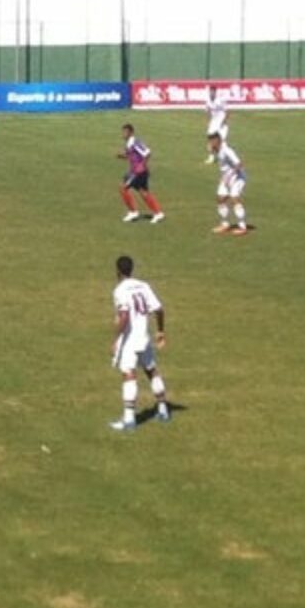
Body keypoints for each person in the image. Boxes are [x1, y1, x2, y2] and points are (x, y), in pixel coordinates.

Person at [109, 255, 170, 431]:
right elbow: (159, 309)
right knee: (151, 370)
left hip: (129, 340)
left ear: (118, 271)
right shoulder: (144, 285)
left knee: (129, 374)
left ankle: (129, 420)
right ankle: (163, 409)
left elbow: (124, 316)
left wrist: (116, 339)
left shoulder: (120, 290)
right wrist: (160, 331)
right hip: (144, 337)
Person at [116, 123, 165, 224]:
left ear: (131, 132)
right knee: (143, 192)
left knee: (123, 188)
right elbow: (131, 156)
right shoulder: (129, 143)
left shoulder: (135, 142)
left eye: (125, 132)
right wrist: (122, 156)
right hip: (136, 171)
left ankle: (133, 212)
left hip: (139, 172)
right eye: (123, 132)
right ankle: (158, 213)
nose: (123, 134)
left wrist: (142, 165)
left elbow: (147, 153)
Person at [208, 133, 249, 236]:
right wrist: (212, 151)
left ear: (218, 140)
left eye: (213, 141)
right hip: (226, 178)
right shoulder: (217, 149)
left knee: (234, 198)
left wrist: (231, 176)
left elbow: (239, 163)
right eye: (210, 141)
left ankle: (242, 227)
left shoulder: (227, 150)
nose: (211, 143)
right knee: (220, 198)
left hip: (237, 177)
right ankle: (225, 224)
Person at [204, 85, 229, 164]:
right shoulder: (208, 100)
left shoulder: (220, 100)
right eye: (210, 91)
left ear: (215, 92)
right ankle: (211, 157)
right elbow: (207, 110)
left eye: (213, 91)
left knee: (222, 142)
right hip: (213, 123)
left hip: (221, 124)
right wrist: (210, 121)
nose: (211, 93)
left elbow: (227, 111)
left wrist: (223, 122)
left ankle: (224, 157)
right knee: (210, 140)